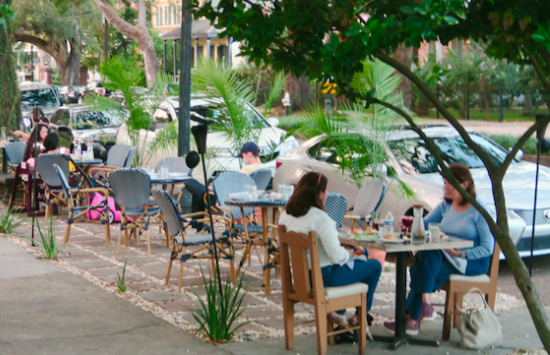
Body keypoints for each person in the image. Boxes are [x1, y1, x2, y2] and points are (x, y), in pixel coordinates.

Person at [383, 163, 494, 335]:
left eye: (449, 183)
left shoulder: (478, 209)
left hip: (471, 260)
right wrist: (411, 221)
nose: (445, 187)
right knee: (429, 255)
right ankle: (423, 309)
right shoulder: (446, 206)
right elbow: (425, 224)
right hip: (446, 254)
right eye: (444, 183)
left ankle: (411, 318)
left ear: (464, 184)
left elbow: (488, 247)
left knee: (423, 268)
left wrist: (461, 253)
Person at [278, 171, 382, 335]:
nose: (327, 194)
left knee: (349, 265)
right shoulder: (320, 218)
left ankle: (338, 315)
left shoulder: (285, 215)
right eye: (326, 191)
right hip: (325, 277)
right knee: (374, 266)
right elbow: (335, 256)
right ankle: (359, 316)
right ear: (319, 194)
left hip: (302, 279)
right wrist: (348, 253)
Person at [183, 142, 261, 214]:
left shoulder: (246, 169)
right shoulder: (264, 169)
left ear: (249, 154)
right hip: (245, 203)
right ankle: (197, 225)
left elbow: (235, 189)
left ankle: (197, 225)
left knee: (192, 184)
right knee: (200, 193)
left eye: (243, 156)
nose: (243, 160)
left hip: (225, 200)